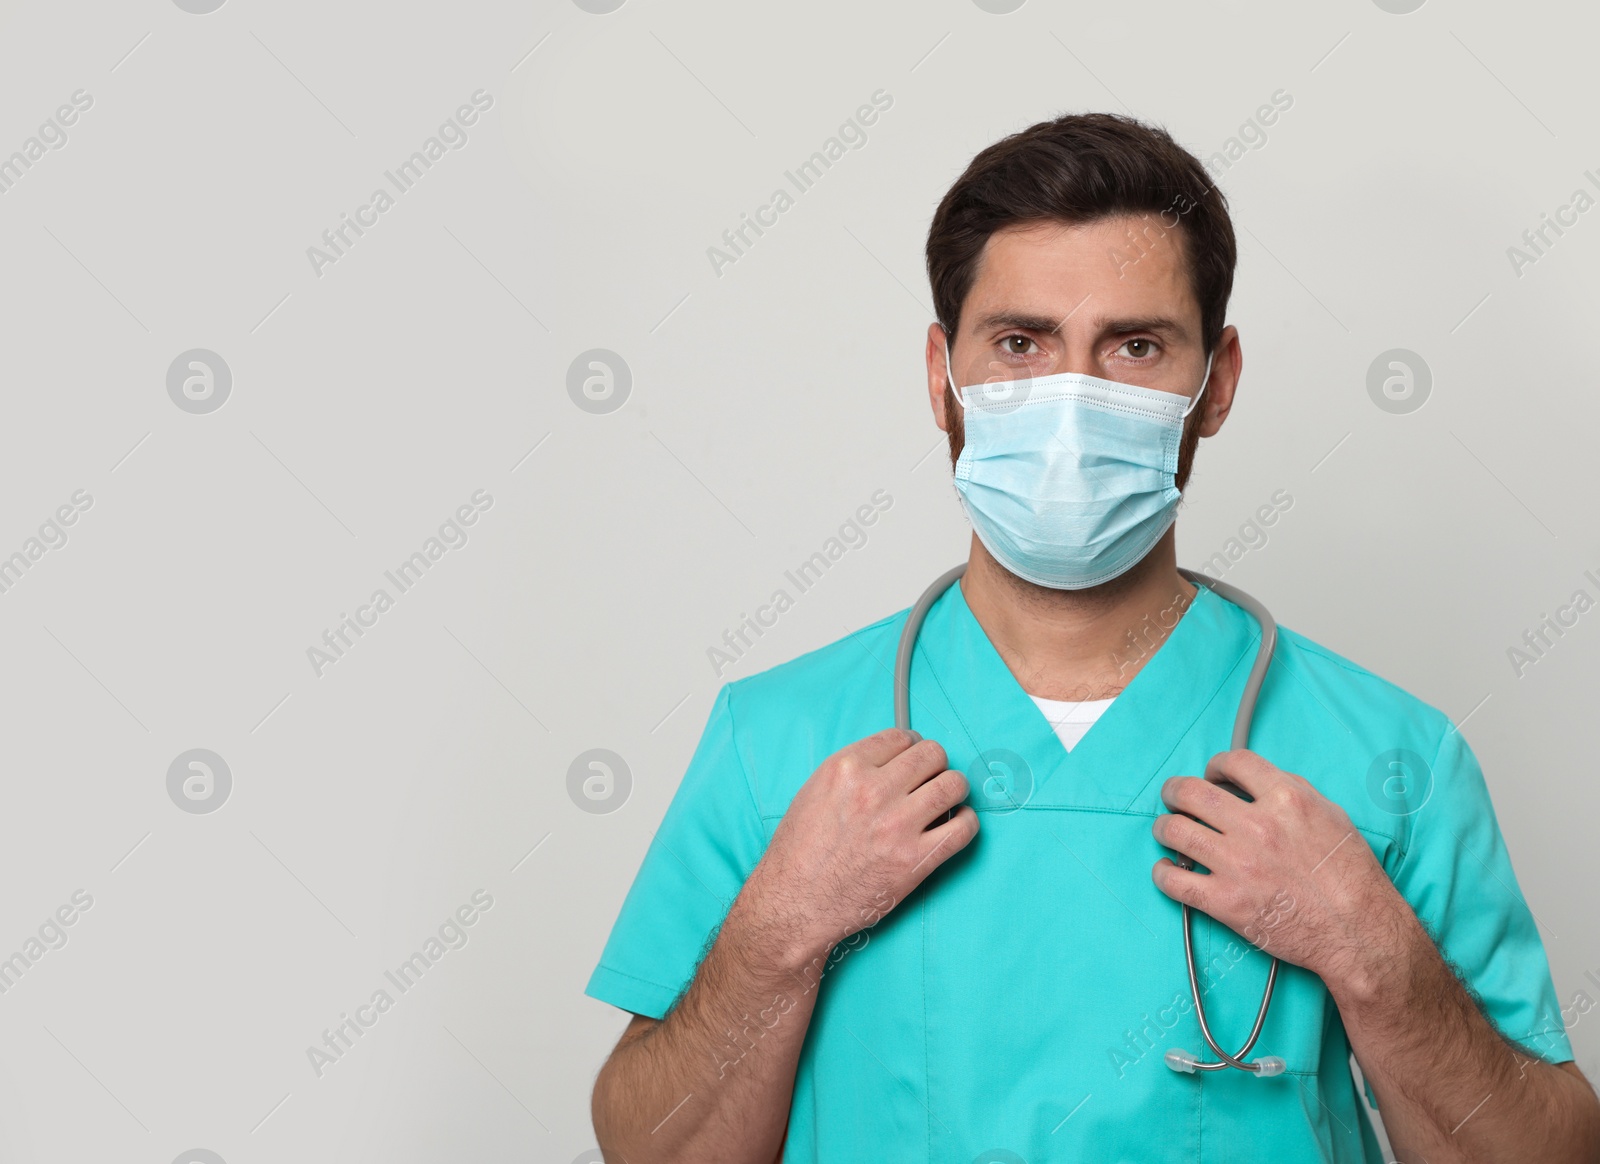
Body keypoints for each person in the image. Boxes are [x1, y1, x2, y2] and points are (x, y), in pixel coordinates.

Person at [583, 112, 1600, 1162]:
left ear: (1218, 383)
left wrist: (1375, 957)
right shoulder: (779, 741)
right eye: (1019, 344)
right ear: (942, 376)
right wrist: (778, 930)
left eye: (1135, 346)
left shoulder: (1387, 758)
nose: (1071, 400)